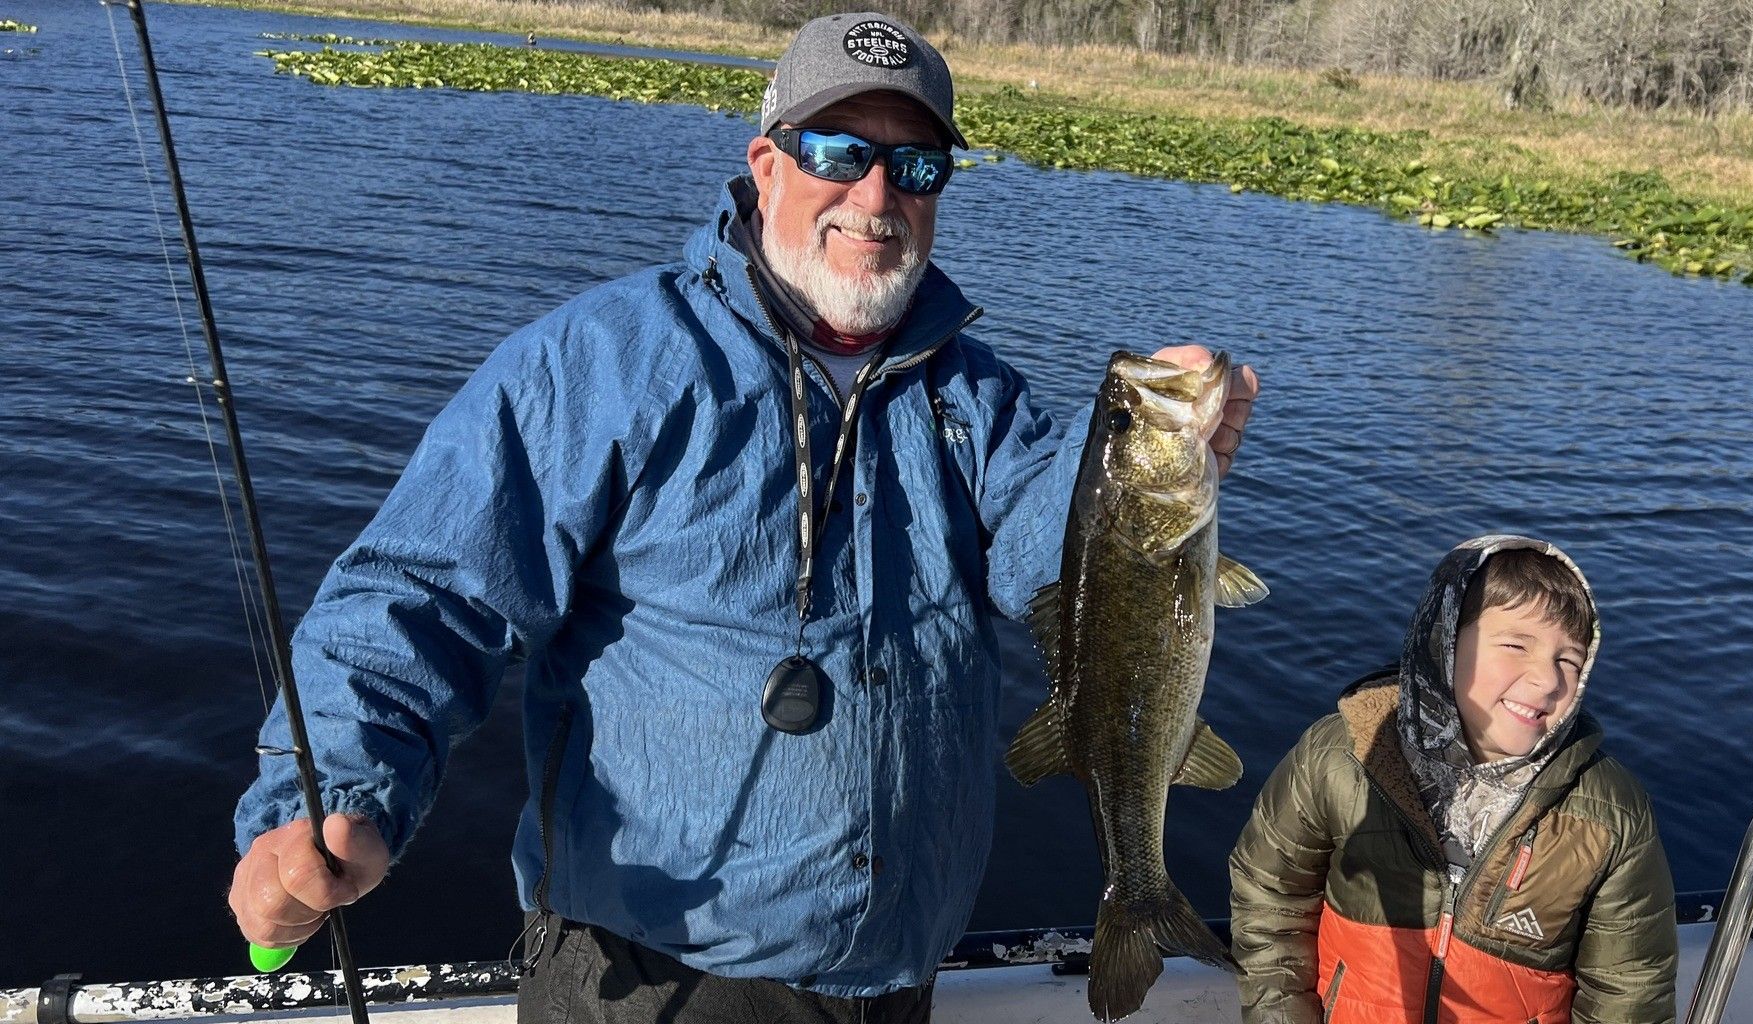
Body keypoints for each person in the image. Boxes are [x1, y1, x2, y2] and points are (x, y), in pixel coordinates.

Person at [225, 11, 1257, 1024]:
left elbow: (1049, 561)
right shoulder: (600, 361)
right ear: (766, 164)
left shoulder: (976, 394)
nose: (875, 196)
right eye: (838, 152)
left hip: (898, 974)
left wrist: (1150, 469)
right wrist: (332, 795)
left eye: (915, 167)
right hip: (652, 981)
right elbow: (422, 595)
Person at [1230, 536, 1677, 1024]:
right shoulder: (1340, 757)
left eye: (1568, 660)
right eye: (1516, 645)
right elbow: (1270, 897)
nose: (1548, 680)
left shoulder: (1610, 812)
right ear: (1441, 640)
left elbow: (1629, 988)